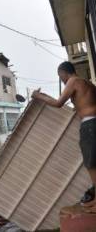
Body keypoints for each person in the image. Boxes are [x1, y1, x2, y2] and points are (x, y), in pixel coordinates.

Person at [32, 61, 96, 212]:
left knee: (91, 163)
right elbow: (84, 103)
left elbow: (58, 103)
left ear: (63, 72)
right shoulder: (88, 84)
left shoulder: (73, 81)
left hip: (89, 125)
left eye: (60, 76)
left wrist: (37, 96)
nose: (61, 79)